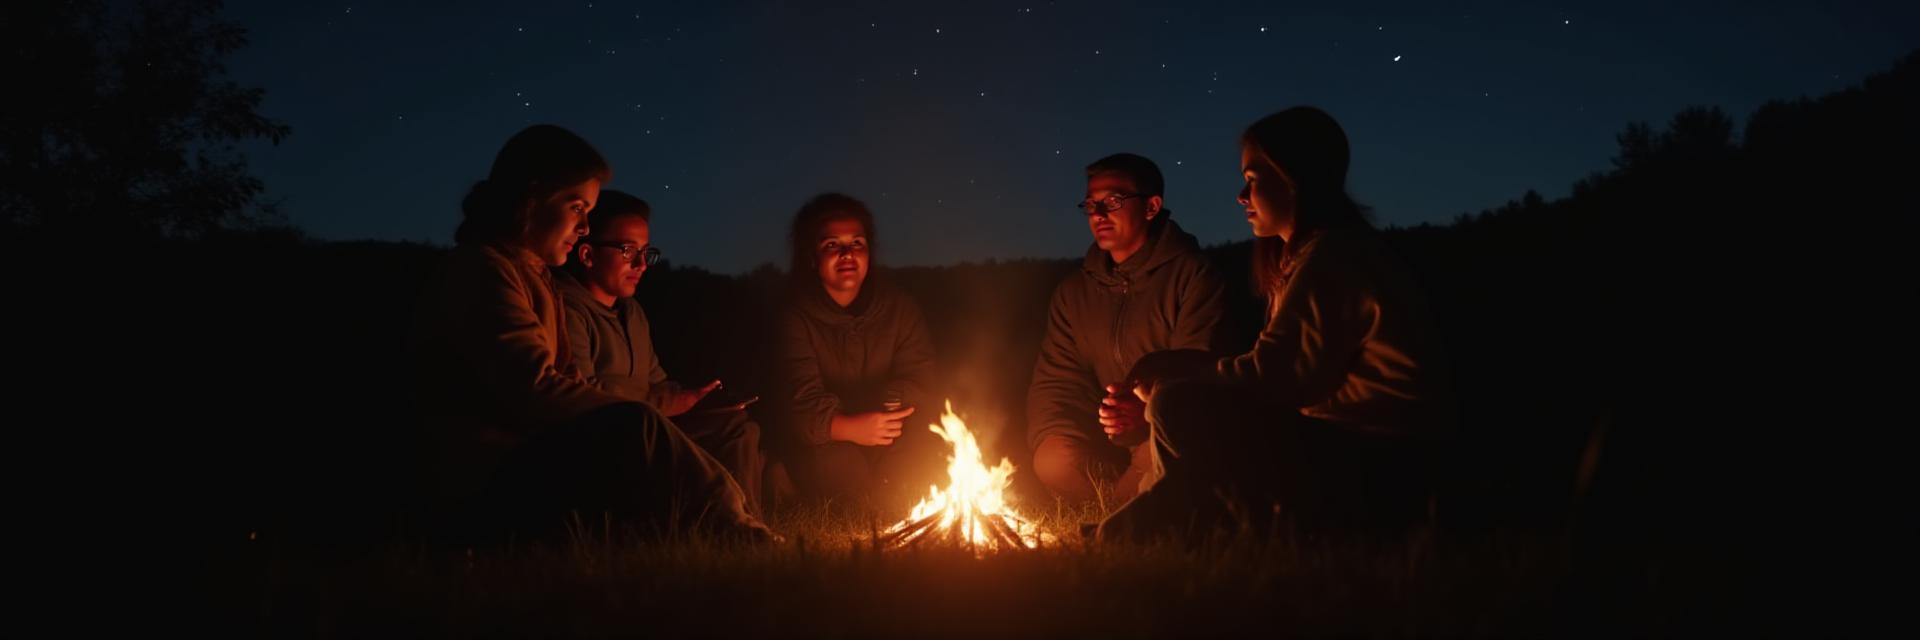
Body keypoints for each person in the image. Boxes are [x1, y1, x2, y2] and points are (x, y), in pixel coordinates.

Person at [1098, 107, 1458, 540]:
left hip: (1387, 467)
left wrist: (1175, 379)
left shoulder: (1335, 257)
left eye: (1252, 179)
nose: (1241, 196)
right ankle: (1154, 520)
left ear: (1294, 178)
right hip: (1362, 455)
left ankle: (1148, 526)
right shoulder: (1312, 257)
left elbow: (1279, 379)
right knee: (1176, 406)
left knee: (1177, 405)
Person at [408, 124, 774, 541]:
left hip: (533, 459)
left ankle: (729, 524)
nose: (585, 226)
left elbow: (568, 379)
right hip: (488, 479)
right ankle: (733, 527)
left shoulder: (534, 278)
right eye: (577, 208)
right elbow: (536, 387)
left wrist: (681, 406)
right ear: (531, 199)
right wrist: (647, 412)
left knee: (689, 427)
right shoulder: (482, 272)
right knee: (636, 425)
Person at [1026, 153, 1227, 507]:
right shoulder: (1074, 293)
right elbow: (1056, 382)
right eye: (1091, 204)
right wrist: (1056, 433)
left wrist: (1146, 411)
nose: (1099, 214)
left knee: (1156, 457)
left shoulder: (1194, 276)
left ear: (1151, 207)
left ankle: (1126, 514)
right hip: (1103, 439)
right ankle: (1110, 509)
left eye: (1114, 201)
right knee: (1053, 458)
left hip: (1164, 429)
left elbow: (1200, 367)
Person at [554, 189, 767, 517]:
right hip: (610, 441)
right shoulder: (568, 309)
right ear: (587, 254)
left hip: (653, 425)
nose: (641, 264)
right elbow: (584, 393)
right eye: (628, 251)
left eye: (646, 252)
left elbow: (656, 382)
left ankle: (743, 521)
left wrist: (697, 398)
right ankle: (732, 526)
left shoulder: (632, 313)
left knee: (736, 427)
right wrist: (667, 402)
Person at [772, 193, 942, 508]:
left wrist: (893, 398)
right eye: (832, 245)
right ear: (812, 257)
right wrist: (850, 427)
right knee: (845, 476)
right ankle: (789, 483)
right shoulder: (795, 317)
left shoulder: (898, 308)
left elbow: (923, 377)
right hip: (827, 441)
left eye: (857, 243)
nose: (847, 254)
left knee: (917, 466)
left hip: (890, 434)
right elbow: (799, 404)